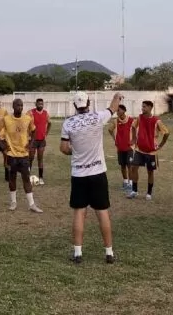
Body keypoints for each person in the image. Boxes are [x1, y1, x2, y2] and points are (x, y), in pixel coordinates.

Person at [60, 91, 121, 264]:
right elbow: (113, 108)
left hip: (79, 174)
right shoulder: (98, 117)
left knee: (79, 212)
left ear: (74, 105)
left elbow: (64, 148)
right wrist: (117, 96)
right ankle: (109, 252)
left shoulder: (68, 123)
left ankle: (78, 253)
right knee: (102, 212)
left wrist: (75, 151)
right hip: (97, 173)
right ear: (89, 103)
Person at [0, 99, 43, 213]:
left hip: (23, 154)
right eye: (18, 105)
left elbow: (34, 131)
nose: (20, 107)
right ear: (13, 106)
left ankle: (32, 204)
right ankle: (13, 202)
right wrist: (3, 145)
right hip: (11, 154)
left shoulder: (28, 118)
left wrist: (31, 144)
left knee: (26, 179)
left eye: (21, 105)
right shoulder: (6, 119)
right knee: (12, 178)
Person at [128, 100, 169, 200]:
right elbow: (133, 126)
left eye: (144, 107)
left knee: (150, 172)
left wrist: (160, 145)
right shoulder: (139, 118)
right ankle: (134, 191)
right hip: (139, 150)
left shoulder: (156, 121)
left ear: (151, 108)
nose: (142, 108)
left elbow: (166, 133)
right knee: (134, 167)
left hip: (151, 152)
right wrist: (133, 139)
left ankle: (149, 193)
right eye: (142, 106)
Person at [107, 104, 135, 192]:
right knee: (122, 166)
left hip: (129, 148)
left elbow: (137, 131)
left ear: (123, 110)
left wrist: (133, 140)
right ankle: (125, 182)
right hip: (120, 148)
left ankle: (131, 184)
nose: (117, 112)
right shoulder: (115, 121)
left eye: (118, 110)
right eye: (116, 111)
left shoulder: (131, 120)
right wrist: (115, 139)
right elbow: (110, 130)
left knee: (129, 166)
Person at [28, 98, 51, 185]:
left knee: (40, 159)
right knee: (30, 158)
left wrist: (46, 133)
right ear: (35, 104)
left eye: (42, 104)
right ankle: (27, 177)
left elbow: (49, 123)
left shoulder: (45, 113)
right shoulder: (30, 113)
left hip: (42, 140)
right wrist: (28, 135)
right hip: (33, 140)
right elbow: (26, 123)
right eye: (39, 104)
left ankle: (41, 178)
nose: (40, 105)